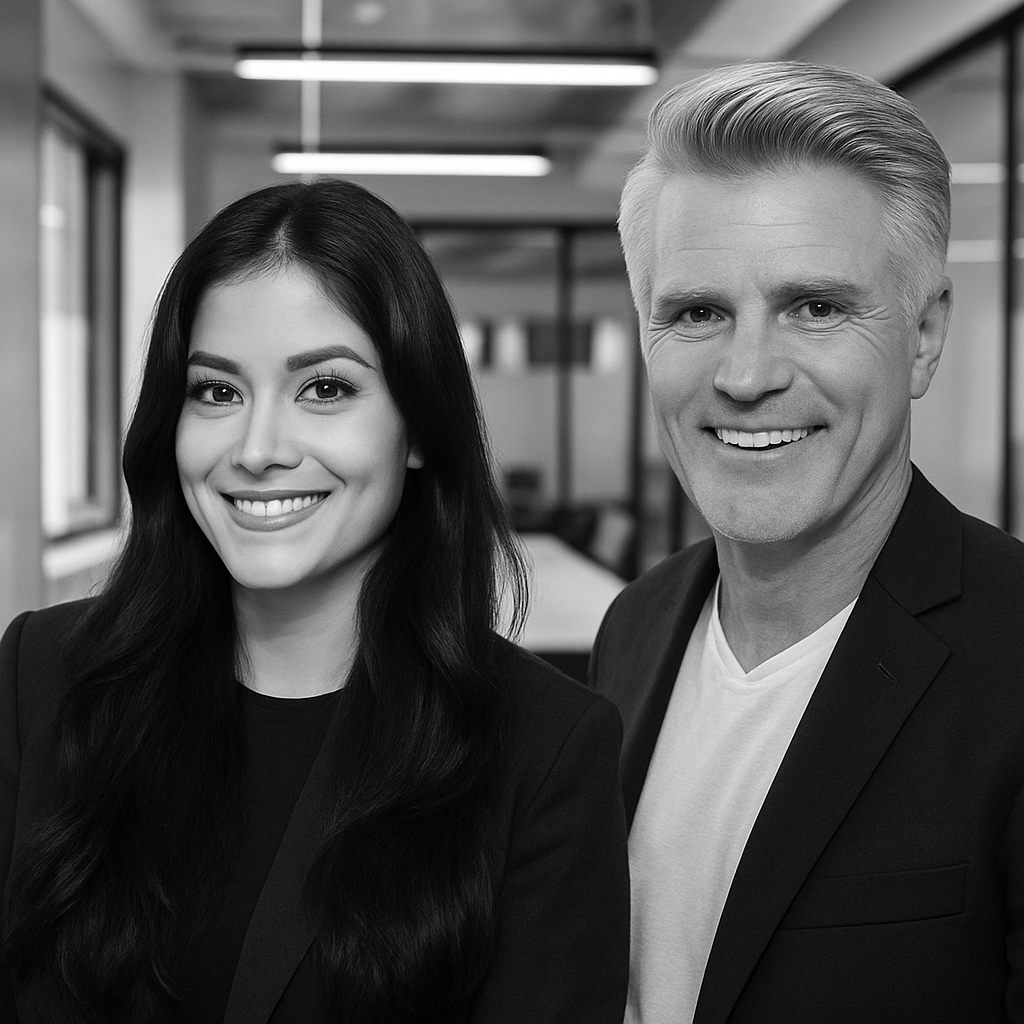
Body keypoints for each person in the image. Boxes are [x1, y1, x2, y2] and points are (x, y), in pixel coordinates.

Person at [0, 179, 629, 1024]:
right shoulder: (40, 678)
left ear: (417, 428)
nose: (257, 450)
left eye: (325, 389)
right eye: (216, 392)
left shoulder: (545, 750)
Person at [589, 60, 1024, 1023]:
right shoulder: (636, 626)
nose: (746, 375)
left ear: (923, 336)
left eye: (816, 308)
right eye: (697, 313)